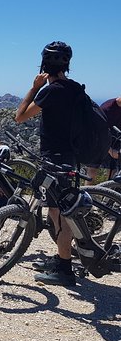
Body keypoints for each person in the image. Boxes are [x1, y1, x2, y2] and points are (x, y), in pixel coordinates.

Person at [15, 40, 81, 286]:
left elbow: (20, 117)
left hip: (55, 159)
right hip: (70, 157)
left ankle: (65, 270)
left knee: (63, 215)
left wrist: (34, 88)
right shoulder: (75, 88)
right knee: (56, 210)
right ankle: (61, 257)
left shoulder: (51, 91)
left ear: (43, 63)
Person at [84, 96, 121, 183]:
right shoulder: (107, 109)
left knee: (113, 169)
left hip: (114, 137)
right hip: (97, 139)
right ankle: (87, 191)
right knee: (93, 169)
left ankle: (110, 193)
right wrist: (110, 150)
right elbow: (97, 131)